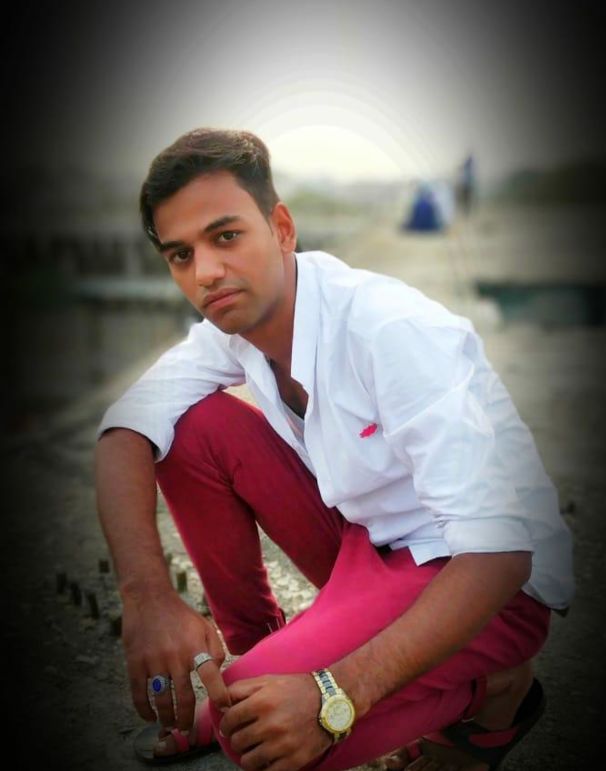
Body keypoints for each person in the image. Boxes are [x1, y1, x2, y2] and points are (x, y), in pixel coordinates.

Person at [95, 128, 574, 771]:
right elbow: (124, 429)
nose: (205, 272)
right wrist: (147, 599)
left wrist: (334, 695)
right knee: (185, 428)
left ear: (281, 228)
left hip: (483, 585)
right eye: (181, 255)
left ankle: (495, 691)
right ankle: (261, 659)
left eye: (226, 236)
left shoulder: (389, 331)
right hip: (366, 547)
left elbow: (500, 556)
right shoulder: (232, 327)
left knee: (255, 737)